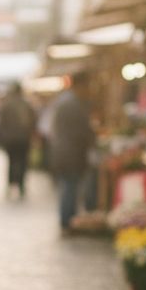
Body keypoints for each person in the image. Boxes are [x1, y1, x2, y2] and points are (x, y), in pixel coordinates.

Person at [50, 70, 95, 233]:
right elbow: (80, 131)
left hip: (64, 152)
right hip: (70, 153)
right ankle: (68, 221)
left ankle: (68, 220)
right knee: (70, 188)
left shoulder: (66, 101)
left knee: (69, 187)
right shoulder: (73, 103)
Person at [0, 82, 36, 198]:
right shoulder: (27, 104)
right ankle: (21, 185)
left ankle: (10, 184)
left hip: (10, 138)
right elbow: (33, 121)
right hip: (24, 138)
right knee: (23, 162)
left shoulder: (7, 105)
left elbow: (1, 121)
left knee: (11, 161)